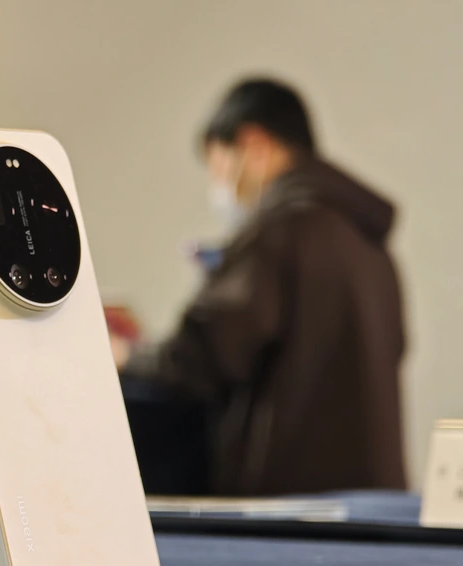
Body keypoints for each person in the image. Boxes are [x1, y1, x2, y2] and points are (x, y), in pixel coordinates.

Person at [151, 77, 406, 495]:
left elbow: (204, 353)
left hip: (290, 504)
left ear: (253, 144)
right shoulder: (370, 243)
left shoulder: (282, 227)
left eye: (218, 164)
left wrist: (126, 356)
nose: (216, 182)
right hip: (373, 501)